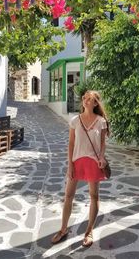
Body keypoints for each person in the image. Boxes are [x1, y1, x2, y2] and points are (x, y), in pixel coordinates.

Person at [51, 90, 109, 247]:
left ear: (96, 103)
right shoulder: (75, 120)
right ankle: (63, 229)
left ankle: (89, 231)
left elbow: (103, 143)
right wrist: (70, 164)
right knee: (68, 195)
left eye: (89, 99)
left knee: (94, 196)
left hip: (93, 162)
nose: (85, 101)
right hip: (77, 161)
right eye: (84, 98)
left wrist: (102, 157)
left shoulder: (101, 121)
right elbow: (70, 143)